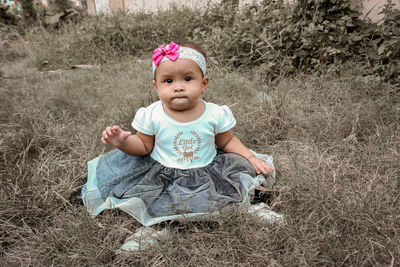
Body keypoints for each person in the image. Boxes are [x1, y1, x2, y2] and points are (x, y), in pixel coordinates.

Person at [81, 41, 275, 226]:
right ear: (157, 86)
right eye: (168, 81)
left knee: (233, 189)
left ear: (204, 83)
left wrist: (249, 157)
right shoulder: (152, 114)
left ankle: (254, 206)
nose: (178, 86)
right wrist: (123, 143)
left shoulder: (215, 113)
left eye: (188, 79)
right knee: (158, 203)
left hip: (206, 169)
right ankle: (153, 230)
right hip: (162, 174)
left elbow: (226, 141)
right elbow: (144, 146)